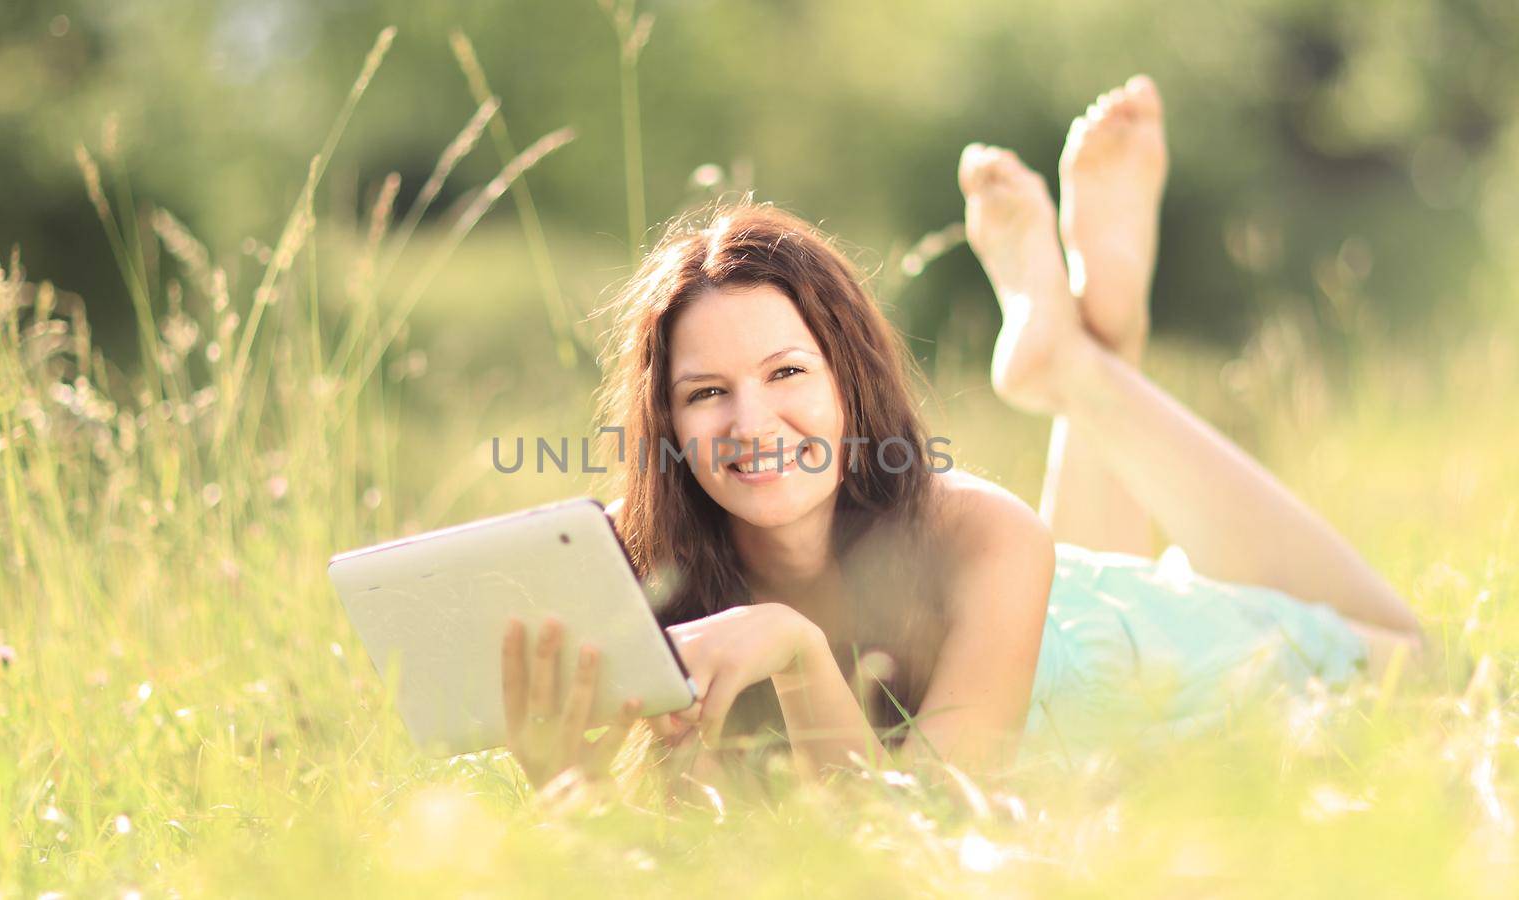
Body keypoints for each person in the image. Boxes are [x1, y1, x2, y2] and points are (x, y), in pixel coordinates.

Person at [497, 75, 1425, 791]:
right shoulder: (638, 570)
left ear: (851, 385)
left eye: (787, 374)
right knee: (1044, 626)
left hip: (1156, 651)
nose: (751, 424)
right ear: (666, 424)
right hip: (1030, 667)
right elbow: (718, 853)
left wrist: (790, 645)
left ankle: (1082, 367)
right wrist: (565, 786)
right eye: (705, 394)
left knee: (1418, 663)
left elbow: (924, 840)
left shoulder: (980, 529)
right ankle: (1097, 335)